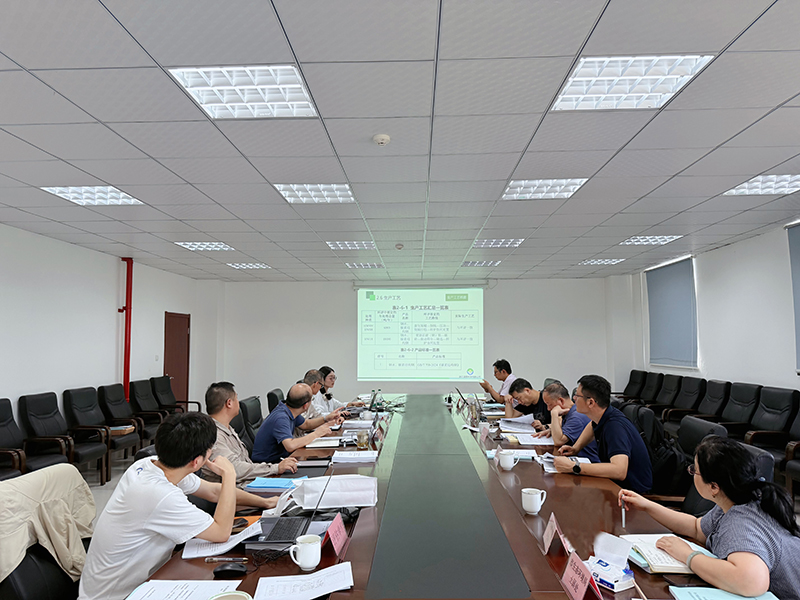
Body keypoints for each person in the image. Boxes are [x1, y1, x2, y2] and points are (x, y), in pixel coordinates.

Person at [78, 412, 278, 600]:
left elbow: (214, 492)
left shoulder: (151, 464)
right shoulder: (159, 494)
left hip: (139, 582)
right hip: (117, 596)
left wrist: (265, 502)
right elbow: (221, 532)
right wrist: (229, 474)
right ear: (197, 461)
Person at [619, 437, 800, 599]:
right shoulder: (736, 499)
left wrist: (687, 555)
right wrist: (647, 505)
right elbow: (696, 528)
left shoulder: (741, 522)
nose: (692, 473)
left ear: (714, 487)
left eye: (694, 470)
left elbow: (752, 582)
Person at [553, 374, 652, 493]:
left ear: (591, 402)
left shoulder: (614, 427)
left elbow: (619, 471)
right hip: (614, 485)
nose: (573, 398)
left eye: (577, 395)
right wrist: (576, 448)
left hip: (632, 493)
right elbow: (592, 425)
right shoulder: (605, 414)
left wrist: (573, 467)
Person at [202, 381, 297, 487]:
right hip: (236, 491)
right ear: (229, 403)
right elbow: (235, 469)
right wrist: (275, 468)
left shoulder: (227, 428)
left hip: (250, 482)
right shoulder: (214, 436)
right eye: (236, 398)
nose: (238, 402)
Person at [253, 383, 345, 464]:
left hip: (282, 459)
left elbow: (306, 424)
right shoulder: (281, 418)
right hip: (268, 465)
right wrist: (317, 434)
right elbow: (290, 446)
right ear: (305, 405)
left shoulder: (288, 409)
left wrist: (326, 418)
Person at [533, 382, 599, 462]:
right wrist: (551, 430)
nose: (548, 409)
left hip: (587, 462)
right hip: (573, 458)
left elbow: (559, 441)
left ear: (561, 401)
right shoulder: (570, 412)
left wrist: (554, 414)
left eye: (549, 404)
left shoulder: (577, 416)